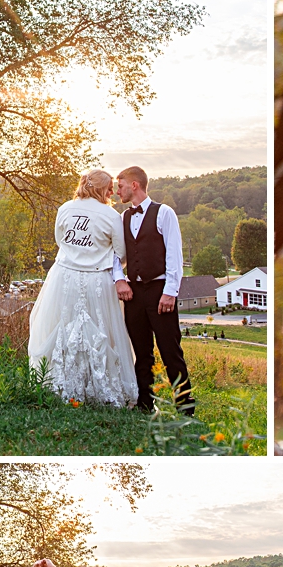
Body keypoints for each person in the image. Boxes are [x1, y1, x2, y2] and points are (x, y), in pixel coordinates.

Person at [27, 170, 140, 408]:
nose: (112, 192)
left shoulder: (65, 208)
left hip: (64, 277)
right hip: (96, 280)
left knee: (63, 327)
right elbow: (121, 253)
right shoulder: (111, 215)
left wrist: (77, 256)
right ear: (100, 189)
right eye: (109, 188)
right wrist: (98, 257)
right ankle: (98, 385)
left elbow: (61, 241)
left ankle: (60, 382)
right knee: (100, 330)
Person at [114, 167, 195, 416]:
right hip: (134, 292)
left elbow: (174, 255)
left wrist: (170, 292)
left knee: (171, 351)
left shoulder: (164, 213)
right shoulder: (122, 218)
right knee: (141, 351)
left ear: (135, 185)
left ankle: (185, 407)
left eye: (121, 186)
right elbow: (116, 254)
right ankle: (145, 403)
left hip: (161, 290)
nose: (118, 191)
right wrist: (120, 279)